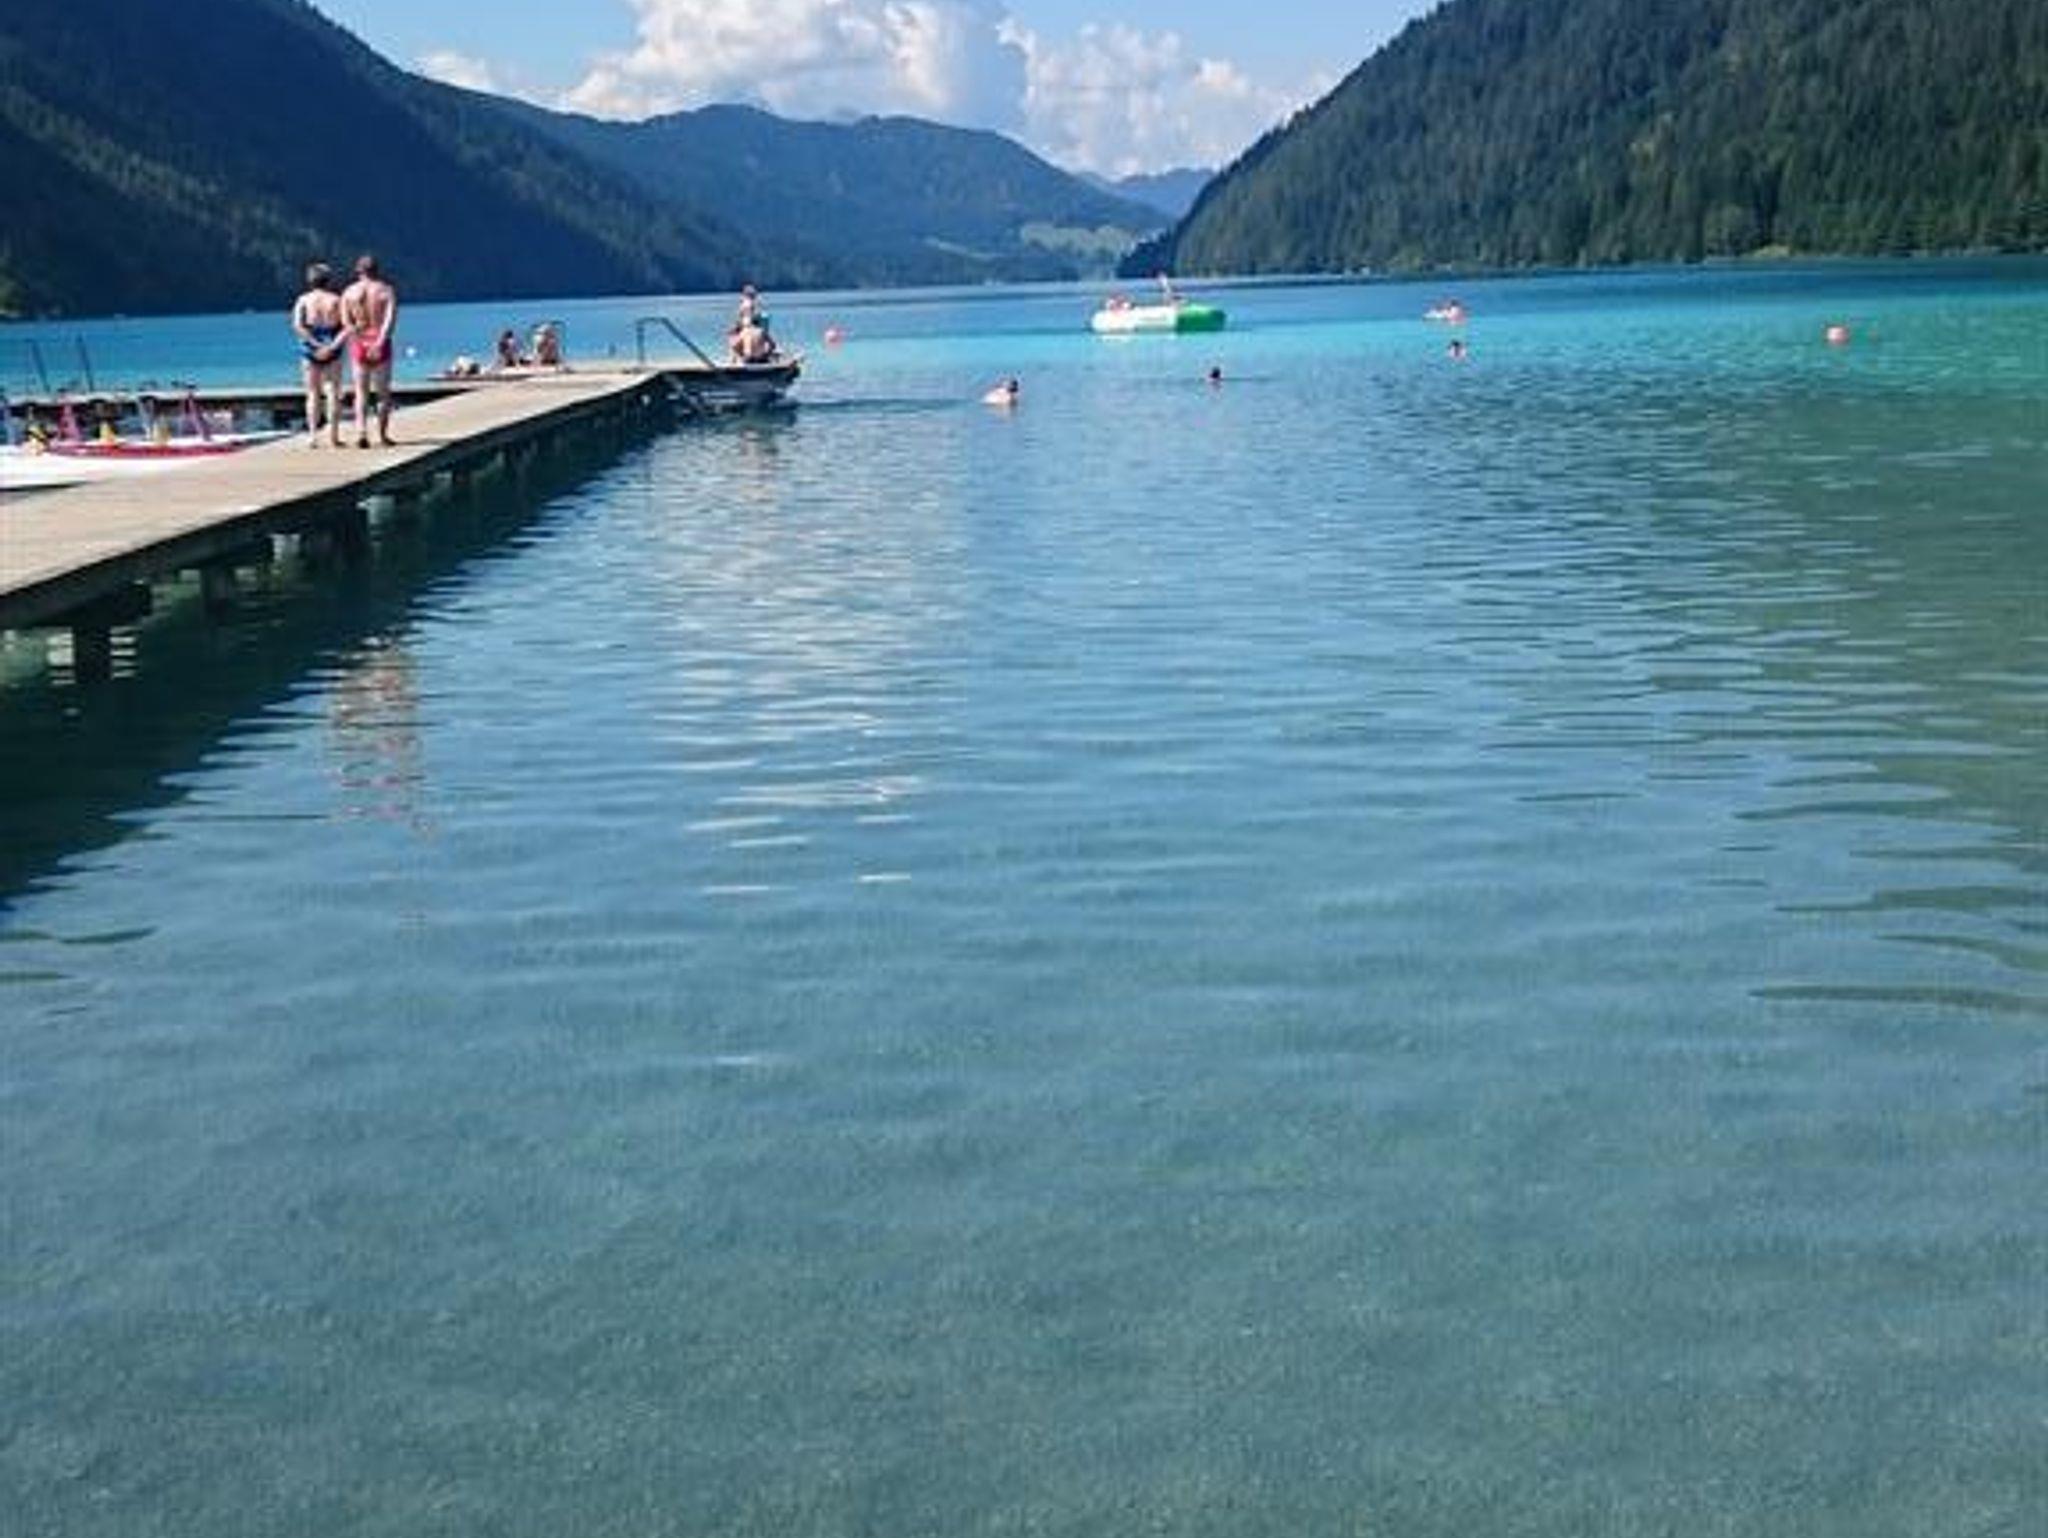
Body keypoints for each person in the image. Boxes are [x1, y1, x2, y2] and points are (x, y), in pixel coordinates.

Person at [341, 254, 399, 448]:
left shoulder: (349, 292)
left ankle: (362, 432)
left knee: (360, 392)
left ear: (358, 271)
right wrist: (379, 342)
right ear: (377, 270)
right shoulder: (386, 290)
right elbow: (389, 321)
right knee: (383, 393)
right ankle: (382, 436)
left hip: (359, 343)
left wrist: (360, 341)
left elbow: (347, 323)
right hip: (380, 341)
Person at [291, 263, 347, 447]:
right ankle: (333, 436)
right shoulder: (336, 300)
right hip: (332, 342)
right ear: (328, 280)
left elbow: (298, 326)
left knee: (312, 393)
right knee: (333, 391)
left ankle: (313, 436)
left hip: (310, 346)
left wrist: (315, 344)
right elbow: (347, 326)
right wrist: (332, 346)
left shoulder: (303, 300)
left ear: (310, 281)